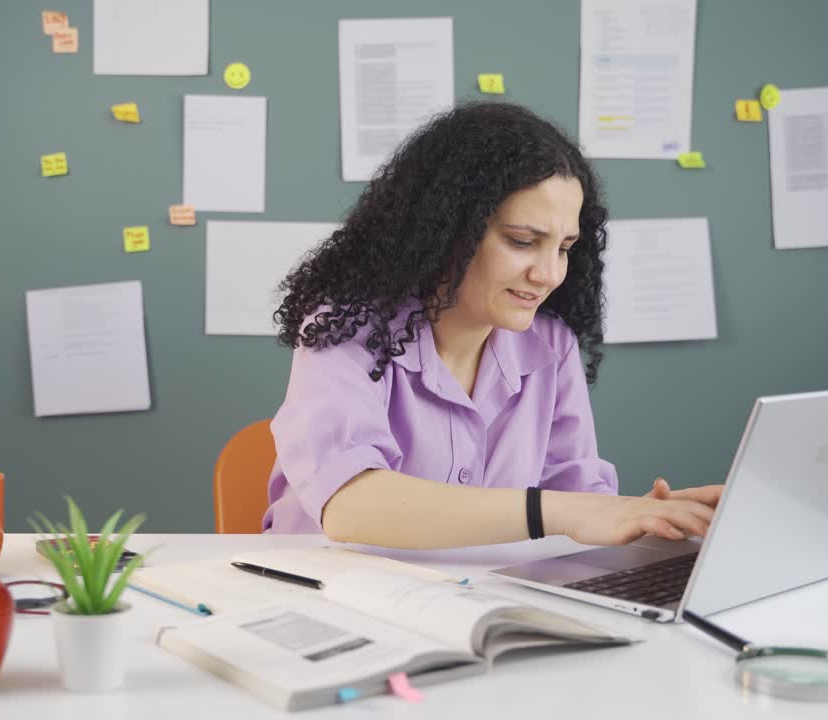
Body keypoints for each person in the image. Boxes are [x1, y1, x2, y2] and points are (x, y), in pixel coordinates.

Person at [262, 102, 722, 548]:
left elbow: (578, 505)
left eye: (563, 248)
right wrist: (561, 512)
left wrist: (644, 520)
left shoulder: (551, 346)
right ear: (447, 229)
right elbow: (350, 505)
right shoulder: (346, 329)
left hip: (466, 599)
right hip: (326, 594)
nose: (548, 275)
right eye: (523, 241)